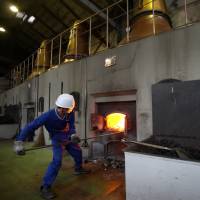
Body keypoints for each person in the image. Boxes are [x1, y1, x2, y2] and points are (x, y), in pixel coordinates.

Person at [14, 93, 90, 200]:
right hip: (57, 139)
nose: (67, 112)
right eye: (65, 110)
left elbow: (71, 125)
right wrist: (19, 141)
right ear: (60, 107)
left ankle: (78, 168)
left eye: (68, 110)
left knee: (78, 152)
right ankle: (45, 187)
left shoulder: (70, 112)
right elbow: (30, 127)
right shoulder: (48, 116)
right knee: (57, 161)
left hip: (68, 137)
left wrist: (73, 134)